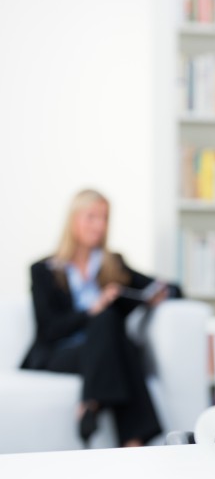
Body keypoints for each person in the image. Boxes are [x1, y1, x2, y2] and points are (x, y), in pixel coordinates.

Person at [21, 189, 171, 447]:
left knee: (109, 322)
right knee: (107, 322)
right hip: (61, 352)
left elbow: (166, 287)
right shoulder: (43, 270)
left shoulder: (112, 263)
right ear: (73, 220)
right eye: (91, 217)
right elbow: (48, 329)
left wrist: (158, 295)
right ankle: (134, 441)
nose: (99, 225)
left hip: (103, 350)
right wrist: (92, 309)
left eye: (104, 218)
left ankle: (90, 404)